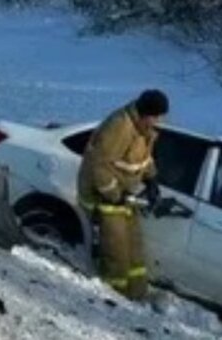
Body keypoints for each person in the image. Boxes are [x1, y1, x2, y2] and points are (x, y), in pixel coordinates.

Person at [77, 89, 167, 300]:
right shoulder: (119, 126)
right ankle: (113, 300)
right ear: (145, 113)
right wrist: (114, 194)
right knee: (117, 255)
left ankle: (136, 296)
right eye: (155, 116)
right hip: (105, 197)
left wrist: (151, 179)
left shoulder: (144, 129)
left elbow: (143, 159)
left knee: (134, 250)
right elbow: (98, 166)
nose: (158, 121)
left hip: (126, 195)